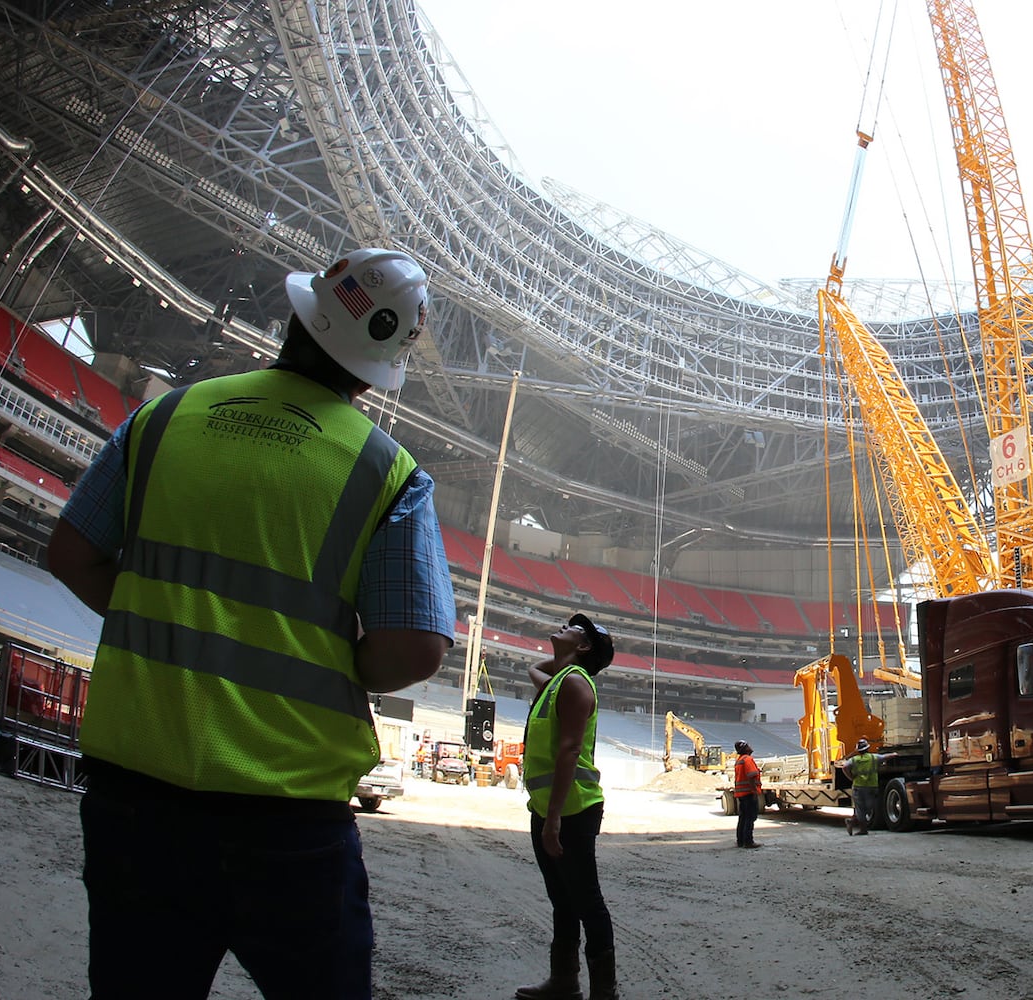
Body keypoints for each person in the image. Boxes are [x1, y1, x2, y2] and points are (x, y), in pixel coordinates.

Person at [45, 248, 456, 999]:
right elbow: (414, 649)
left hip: (135, 799)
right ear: (375, 366)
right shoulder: (386, 470)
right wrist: (340, 663)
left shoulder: (164, 417)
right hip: (288, 819)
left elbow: (71, 551)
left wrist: (153, 612)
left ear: (299, 317)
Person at [516, 613, 619, 1000]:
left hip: (571, 810)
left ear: (585, 646)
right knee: (562, 899)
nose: (564, 625)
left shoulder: (575, 685)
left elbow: (570, 751)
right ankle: (564, 980)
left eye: (574, 628)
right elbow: (533, 667)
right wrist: (564, 656)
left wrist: (553, 819)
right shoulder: (560, 682)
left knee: (586, 900)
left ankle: (604, 992)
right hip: (548, 807)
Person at [731, 739, 762, 848]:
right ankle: (748, 842)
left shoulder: (739, 760)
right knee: (750, 817)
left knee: (743, 818)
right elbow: (751, 776)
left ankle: (741, 841)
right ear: (745, 748)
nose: (750, 746)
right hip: (749, 793)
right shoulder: (748, 759)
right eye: (748, 745)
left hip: (741, 794)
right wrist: (754, 791)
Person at [845, 737, 878, 835]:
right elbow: (884, 757)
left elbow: (845, 765)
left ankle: (851, 822)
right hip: (869, 786)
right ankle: (863, 830)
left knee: (862, 809)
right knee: (867, 808)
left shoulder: (854, 759)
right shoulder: (873, 758)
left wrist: (850, 777)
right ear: (868, 748)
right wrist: (893, 754)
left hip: (859, 787)